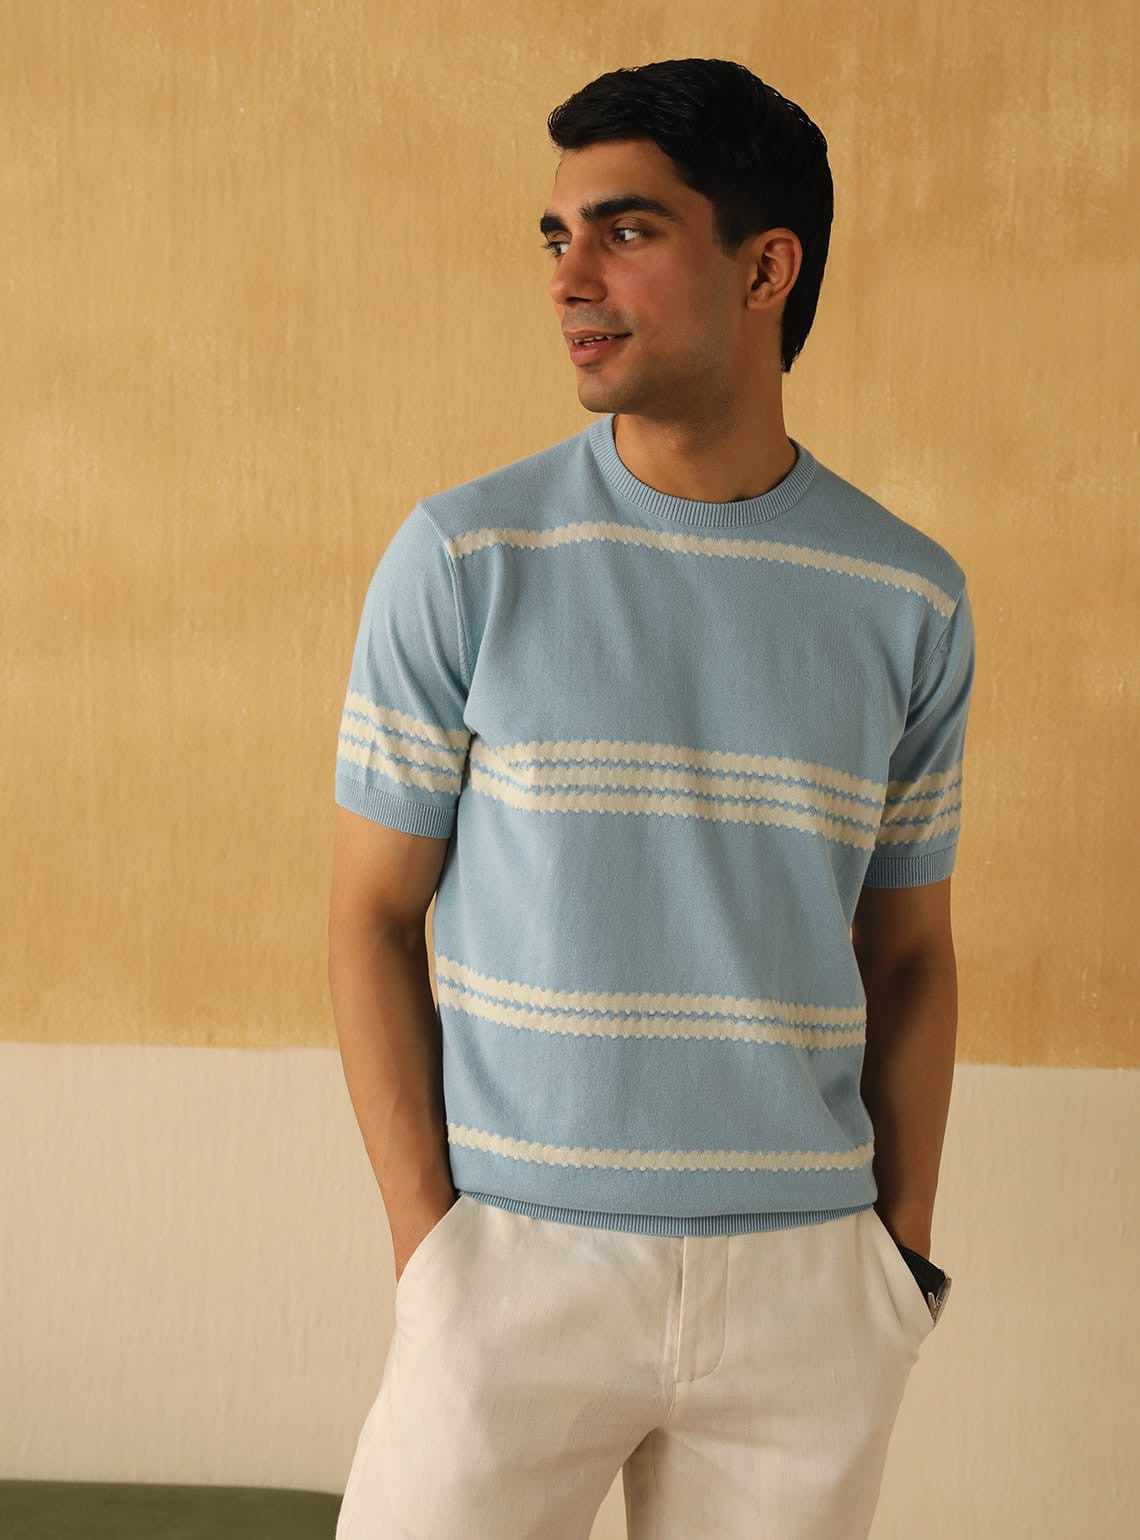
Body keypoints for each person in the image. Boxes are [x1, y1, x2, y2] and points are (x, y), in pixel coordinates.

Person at [328, 56, 974, 1540]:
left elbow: (911, 954)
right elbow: (368, 918)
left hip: (808, 1291)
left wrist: (897, 1258)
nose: (571, 278)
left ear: (766, 268)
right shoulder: (464, 558)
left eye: (625, 231)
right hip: (514, 1272)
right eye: (558, 237)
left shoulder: (909, 596)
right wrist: (435, 1252)